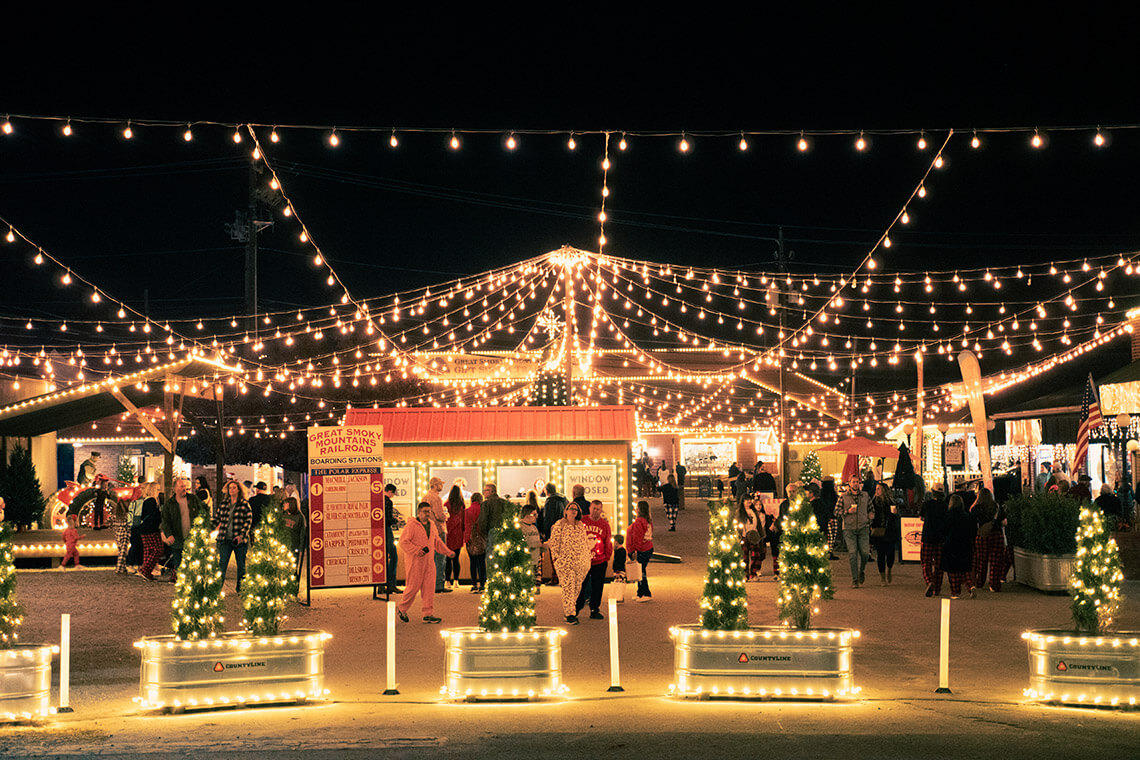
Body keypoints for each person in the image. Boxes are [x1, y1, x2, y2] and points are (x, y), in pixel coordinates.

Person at [396, 502, 455, 624]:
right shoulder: (411, 526)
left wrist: (447, 552)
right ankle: (402, 608)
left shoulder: (432, 525)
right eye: (425, 511)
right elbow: (403, 542)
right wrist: (417, 550)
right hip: (415, 562)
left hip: (429, 562)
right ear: (419, 512)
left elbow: (437, 541)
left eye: (429, 511)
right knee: (413, 587)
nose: (427, 514)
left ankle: (428, 614)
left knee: (429, 588)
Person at [547, 501, 591, 624]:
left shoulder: (580, 525)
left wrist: (587, 558)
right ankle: (570, 614)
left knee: (576, 588)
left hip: (580, 563)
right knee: (568, 588)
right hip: (565, 563)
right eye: (571, 508)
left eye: (575, 509)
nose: (573, 511)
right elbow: (554, 543)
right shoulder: (559, 524)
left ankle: (570, 611)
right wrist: (556, 559)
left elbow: (584, 542)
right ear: (566, 511)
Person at [160, 477, 207, 584]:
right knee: (178, 562)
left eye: (185, 486)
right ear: (175, 489)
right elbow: (166, 521)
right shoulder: (170, 504)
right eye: (181, 486)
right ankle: (182, 583)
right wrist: (169, 534)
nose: (184, 488)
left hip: (192, 538)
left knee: (192, 561)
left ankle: (191, 582)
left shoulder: (193, 499)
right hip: (177, 538)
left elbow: (203, 511)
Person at [213, 480, 253, 593]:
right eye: (230, 488)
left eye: (234, 488)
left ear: (239, 490)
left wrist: (241, 535)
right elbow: (217, 519)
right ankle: (217, 588)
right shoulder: (224, 504)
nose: (231, 490)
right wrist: (207, 528)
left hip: (239, 540)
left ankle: (241, 588)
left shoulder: (244, 504)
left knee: (241, 565)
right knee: (222, 564)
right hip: (225, 539)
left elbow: (248, 521)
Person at [576, 499, 613, 621]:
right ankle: (576, 607)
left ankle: (594, 609)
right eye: (594, 508)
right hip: (583, 560)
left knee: (597, 586)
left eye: (598, 509)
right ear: (590, 508)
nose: (595, 511)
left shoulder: (604, 525)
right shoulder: (582, 521)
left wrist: (606, 557)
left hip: (599, 561)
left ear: (601, 510)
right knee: (580, 585)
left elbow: (608, 542)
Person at [840, 475, 872, 588]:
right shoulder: (843, 497)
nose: (855, 484)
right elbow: (836, 511)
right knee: (853, 554)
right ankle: (855, 579)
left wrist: (870, 517)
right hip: (849, 528)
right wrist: (847, 511)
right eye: (853, 482)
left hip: (863, 527)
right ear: (849, 483)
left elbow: (871, 509)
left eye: (857, 482)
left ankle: (861, 570)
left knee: (865, 553)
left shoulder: (865, 496)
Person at [943, 494, 977, 599]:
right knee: (965, 569)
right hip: (965, 544)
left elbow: (944, 530)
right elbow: (973, 531)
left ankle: (955, 592)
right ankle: (970, 586)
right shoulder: (967, 516)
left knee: (953, 570)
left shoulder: (948, 516)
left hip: (952, 544)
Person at [970, 487, 1002, 594]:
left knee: (981, 560)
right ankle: (994, 584)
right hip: (996, 534)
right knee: (995, 561)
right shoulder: (996, 507)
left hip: (982, 536)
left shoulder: (976, 508)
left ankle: (980, 582)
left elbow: (972, 518)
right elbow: (1003, 521)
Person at [422, 477, 449, 595]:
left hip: (427, 530)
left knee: (430, 559)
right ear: (436, 485)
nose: (442, 486)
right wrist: (446, 516)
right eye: (440, 484)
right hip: (438, 529)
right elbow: (439, 515)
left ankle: (429, 584)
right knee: (440, 558)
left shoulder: (425, 497)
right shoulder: (436, 498)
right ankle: (439, 585)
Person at [919, 485, 948, 597]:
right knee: (939, 564)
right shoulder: (945, 506)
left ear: (932, 492)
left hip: (927, 536)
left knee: (926, 562)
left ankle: (929, 581)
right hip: (940, 537)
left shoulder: (926, 504)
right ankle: (937, 588)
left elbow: (922, 517)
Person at [870, 482, 899, 585]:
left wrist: (895, 514)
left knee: (890, 554)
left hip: (890, 531)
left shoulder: (891, 502)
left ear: (884, 491)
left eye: (879, 489)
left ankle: (889, 569)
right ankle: (882, 577)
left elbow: (896, 518)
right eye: (876, 489)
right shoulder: (873, 502)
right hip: (878, 530)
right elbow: (870, 515)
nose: (876, 491)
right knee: (880, 554)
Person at [626, 500, 655, 599]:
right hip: (647, 548)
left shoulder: (639, 521)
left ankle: (645, 593)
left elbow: (637, 537)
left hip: (641, 550)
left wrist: (635, 550)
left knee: (641, 572)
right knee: (640, 571)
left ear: (639, 509)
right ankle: (640, 592)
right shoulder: (648, 521)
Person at [541, 483, 567, 584]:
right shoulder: (564, 499)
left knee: (554, 556)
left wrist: (546, 533)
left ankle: (555, 577)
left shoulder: (550, 501)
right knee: (563, 555)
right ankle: (562, 577)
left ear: (546, 491)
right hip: (564, 531)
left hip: (553, 531)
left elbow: (548, 518)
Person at [136, 490, 164, 580]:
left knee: (148, 550)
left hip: (144, 528)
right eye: (157, 489)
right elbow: (153, 516)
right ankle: (145, 569)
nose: (159, 491)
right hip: (151, 529)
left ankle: (146, 572)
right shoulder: (152, 501)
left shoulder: (145, 500)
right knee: (157, 549)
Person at [444, 485, 467, 590]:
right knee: (456, 559)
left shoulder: (446, 504)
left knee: (448, 559)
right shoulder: (462, 505)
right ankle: (456, 581)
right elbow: (463, 520)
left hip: (449, 533)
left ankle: (447, 581)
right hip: (458, 534)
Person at [476, 482, 507, 554]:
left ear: (493, 492)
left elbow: (483, 520)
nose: (484, 492)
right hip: (504, 531)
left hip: (491, 532)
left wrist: (483, 533)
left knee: (491, 555)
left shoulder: (486, 504)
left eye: (487, 490)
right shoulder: (504, 502)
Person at [464, 491, 486, 593]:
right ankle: (482, 585)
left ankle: (474, 585)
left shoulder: (466, 511)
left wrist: (466, 538)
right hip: (481, 537)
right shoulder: (483, 510)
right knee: (482, 562)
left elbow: (465, 525)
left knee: (473, 562)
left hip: (470, 538)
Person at [383, 484, 402, 593]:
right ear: (390, 491)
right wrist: (396, 520)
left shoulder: (378, 500)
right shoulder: (388, 502)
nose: (393, 496)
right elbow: (388, 519)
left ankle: (381, 584)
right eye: (393, 493)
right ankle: (391, 584)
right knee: (393, 556)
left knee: (382, 558)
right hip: (387, 530)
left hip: (378, 531)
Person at [520, 504, 543, 595]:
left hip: (535, 559)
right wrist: (537, 545)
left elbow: (537, 542)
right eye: (534, 515)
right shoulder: (521, 528)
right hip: (526, 560)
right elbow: (523, 544)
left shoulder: (534, 528)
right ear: (527, 516)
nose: (536, 517)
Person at [109, 492, 133, 574]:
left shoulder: (115, 515)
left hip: (118, 534)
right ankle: (119, 568)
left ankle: (122, 568)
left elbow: (110, 522)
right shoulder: (127, 515)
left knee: (121, 551)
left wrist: (114, 529)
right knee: (123, 552)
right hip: (125, 534)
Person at [282, 495, 306, 569]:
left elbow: (302, 533)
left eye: (285, 503)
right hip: (283, 545)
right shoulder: (283, 514)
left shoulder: (299, 517)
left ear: (290, 504)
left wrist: (301, 548)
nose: (283, 504)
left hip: (294, 546)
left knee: (292, 567)